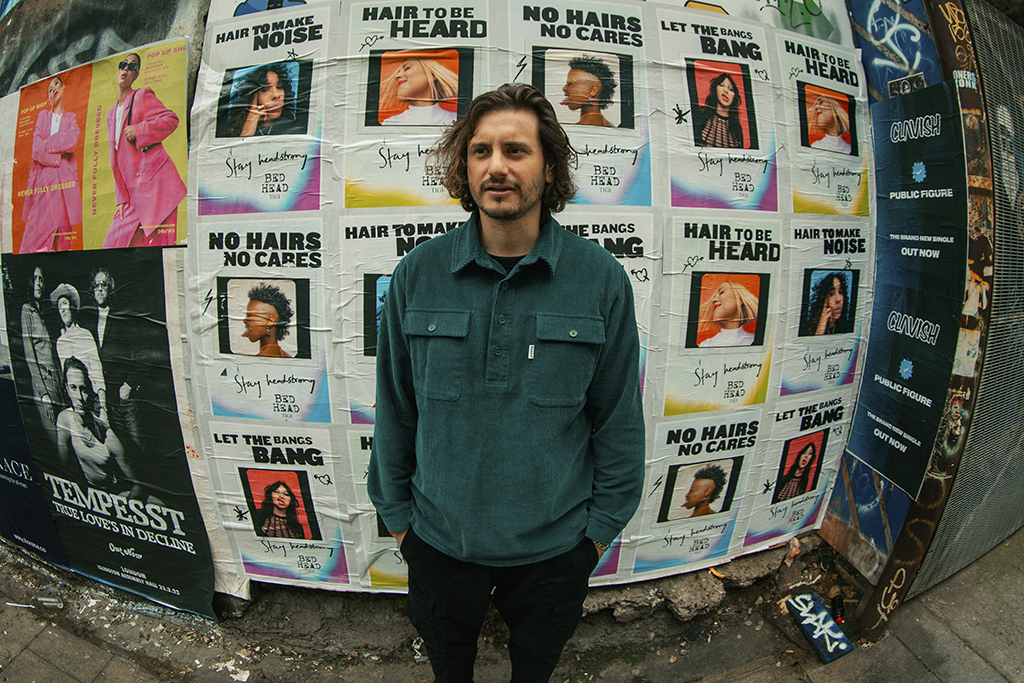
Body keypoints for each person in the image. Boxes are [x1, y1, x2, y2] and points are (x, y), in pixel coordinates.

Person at [368, 83, 645, 682]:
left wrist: (596, 538)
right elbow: (395, 407)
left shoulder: (600, 280)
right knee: (449, 670)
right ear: (464, 168)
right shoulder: (417, 274)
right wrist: (401, 524)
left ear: (550, 169)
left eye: (516, 150)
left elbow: (618, 417)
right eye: (481, 151)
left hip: (557, 552)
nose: (496, 166)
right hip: (438, 544)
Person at [104, 52, 187, 248]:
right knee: (114, 245)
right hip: (133, 195)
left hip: (157, 187)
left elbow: (171, 120)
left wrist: (140, 130)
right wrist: (120, 199)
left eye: (132, 67)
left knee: (160, 248)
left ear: (136, 75)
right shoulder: (110, 115)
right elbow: (116, 160)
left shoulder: (141, 96)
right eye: (123, 65)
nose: (126, 69)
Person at [56, 357, 141, 498]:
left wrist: (123, 505)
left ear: (89, 391)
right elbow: (64, 470)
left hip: (115, 494)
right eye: (73, 388)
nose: (79, 397)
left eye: (83, 389)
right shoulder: (64, 419)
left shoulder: (107, 434)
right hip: (88, 496)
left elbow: (137, 484)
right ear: (66, 389)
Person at [20, 75, 82, 253]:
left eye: (56, 85)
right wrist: (57, 157)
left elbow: (72, 140)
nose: (53, 89)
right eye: (49, 89)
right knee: (36, 234)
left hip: (65, 183)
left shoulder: (70, 117)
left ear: (63, 89)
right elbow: (36, 149)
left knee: (63, 241)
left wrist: (48, 143)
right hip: (44, 180)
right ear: (48, 98)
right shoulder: (43, 116)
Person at [20, 267, 63, 443]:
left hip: (57, 382)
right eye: (35, 278)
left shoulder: (43, 311)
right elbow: (29, 356)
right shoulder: (26, 311)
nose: (38, 283)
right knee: (56, 439)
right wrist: (43, 394)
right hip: (43, 384)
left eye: (41, 279)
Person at [51, 283, 106, 416]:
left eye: (64, 304)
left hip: (91, 400)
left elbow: (97, 371)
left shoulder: (85, 334)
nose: (62, 309)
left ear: (72, 306)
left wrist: (103, 408)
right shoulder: (60, 342)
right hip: (73, 404)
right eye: (59, 306)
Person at [226, 63, 306, 136]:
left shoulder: (294, 129)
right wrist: (252, 120)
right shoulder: (232, 129)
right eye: (265, 89)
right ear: (251, 96)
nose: (276, 95)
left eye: (279, 87)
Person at [379, 55, 459, 126]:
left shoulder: (456, 120)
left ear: (432, 75)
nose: (396, 76)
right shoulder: (391, 123)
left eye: (407, 68)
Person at [697, 280, 759, 347]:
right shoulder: (706, 345)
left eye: (721, 292)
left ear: (739, 299)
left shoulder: (754, 341)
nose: (714, 300)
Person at [560, 56, 616, 127]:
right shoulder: (610, 125)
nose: (564, 88)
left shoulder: (579, 129)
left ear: (592, 91)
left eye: (570, 84)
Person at [242, 283, 293, 357]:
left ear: (269, 322)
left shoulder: (260, 359)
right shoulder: (288, 356)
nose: (244, 320)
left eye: (250, 316)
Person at [697, 73, 744, 148]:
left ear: (734, 96)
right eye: (721, 85)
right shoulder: (701, 113)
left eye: (731, 89)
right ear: (715, 89)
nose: (726, 90)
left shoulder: (736, 128)